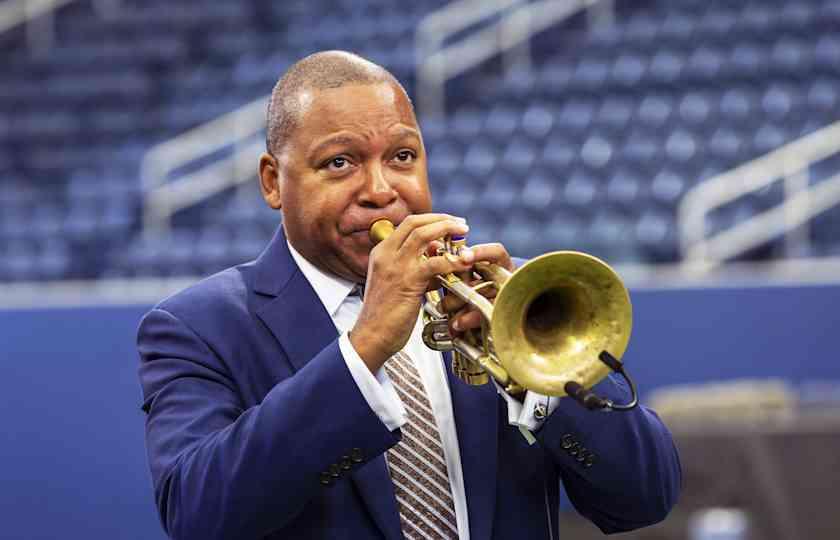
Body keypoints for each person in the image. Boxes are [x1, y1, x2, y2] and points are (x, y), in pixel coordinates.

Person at [137, 50, 681, 540]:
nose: (381, 190)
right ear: (273, 182)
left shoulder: (499, 306)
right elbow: (197, 515)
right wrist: (364, 345)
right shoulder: (197, 327)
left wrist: (533, 372)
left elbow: (646, 499)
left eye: (402, 156)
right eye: (339, 163)